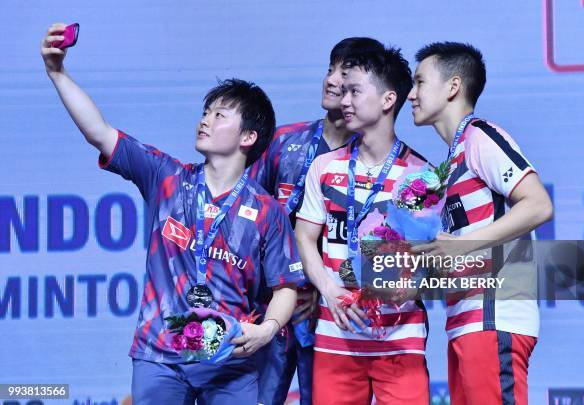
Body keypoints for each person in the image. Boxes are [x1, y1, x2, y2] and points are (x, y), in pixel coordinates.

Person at [41, 23, 305, 405]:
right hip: (160, 355)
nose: (205, 120)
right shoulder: (167, 178)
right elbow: (98, 132)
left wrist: (268, 330)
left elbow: (285, 287)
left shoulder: (267, 211)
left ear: (248, 137)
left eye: (220, 116)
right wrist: (57, 72)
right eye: (205, 112)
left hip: (231, 359)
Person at [408, 42, 554, 405]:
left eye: (420, 82)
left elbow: (538, 204)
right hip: (466, 319)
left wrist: (461, 245)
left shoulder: (480, 136)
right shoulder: (453, 159)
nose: (411, 94)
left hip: (494, 315)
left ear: (453, 87)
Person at [294, 44, 431, 405]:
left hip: (400, 341)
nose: (345, 100)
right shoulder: (324, 167)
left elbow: (428, 256)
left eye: (355, 91)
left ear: (388, 99)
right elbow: (305, 237)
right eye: (344, 92)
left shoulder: (423, 176)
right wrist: (328, 288)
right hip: (335, 338)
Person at [251, 37, 384, 405]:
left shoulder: (376, 162)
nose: (331, 80)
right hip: (271, 311)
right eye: (330, 69)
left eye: (345, 74)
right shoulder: (282, 142)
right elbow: (246, 225)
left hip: (330, 318)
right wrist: (282, 292)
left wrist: (326, 291)